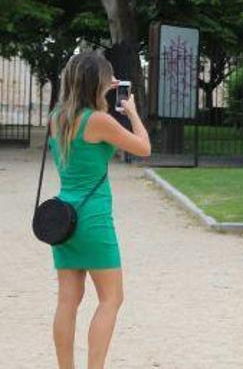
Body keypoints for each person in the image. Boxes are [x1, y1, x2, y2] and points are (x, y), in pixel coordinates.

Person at [48, 51, 151, 369]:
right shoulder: (99, 121)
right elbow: (144, 148)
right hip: (93, 218)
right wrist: (131, 111)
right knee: (111, 298)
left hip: (63, 218)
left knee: (68, 300)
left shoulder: (57, 118)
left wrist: (106, 87)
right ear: (98, 83)